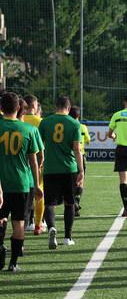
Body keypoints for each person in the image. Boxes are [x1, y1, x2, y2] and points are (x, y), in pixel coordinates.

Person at [0, 92, 43, 272]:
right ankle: (13, 263)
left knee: (1, 217)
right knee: (19, 222)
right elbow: (34, 161)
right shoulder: (29, 129)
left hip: (1, 185)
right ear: (19, 109)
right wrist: (37, 185)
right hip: (22, 183)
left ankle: (0, 247)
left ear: (1, 108)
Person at [39, 95, 84, 249]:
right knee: (69, 203)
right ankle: (67, 237)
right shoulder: (74, 123)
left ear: (55, 106)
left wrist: (42, 159)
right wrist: (81, 170)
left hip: (50, 169)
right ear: (69, 107)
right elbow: (77, 149)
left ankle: (51, 227)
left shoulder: (45, 122)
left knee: (50, 203)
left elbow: (39, 146)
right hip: (69, 169)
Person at [23, 95, 46, 235]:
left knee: (24, 193)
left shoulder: (19, 120)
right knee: (39, 191)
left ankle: (25, 223)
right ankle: (38, 225)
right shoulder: (41, 122)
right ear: (34, 106)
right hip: (37, 161)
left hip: (19, 162)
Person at [69, 105, 91, 216]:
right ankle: (77, 201)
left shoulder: (66, 125)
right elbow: (88, 141)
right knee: (80, 181)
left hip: (69, 156)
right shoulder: (82, 127)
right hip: (80, 156)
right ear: (78, 116)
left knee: (70, 182)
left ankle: (72, 203)